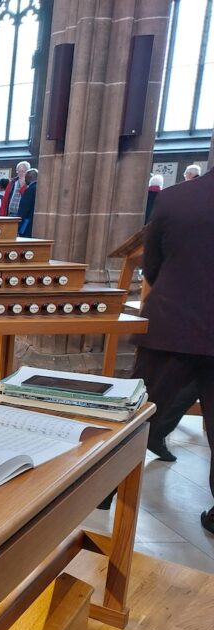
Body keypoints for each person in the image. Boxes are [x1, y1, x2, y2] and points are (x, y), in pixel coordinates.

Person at [129, 167, 214, 535]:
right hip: (181, 327)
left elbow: (152, 266)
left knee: (133, 414)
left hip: (173, 325)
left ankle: (100, 491)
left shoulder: (176, 198)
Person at [16, 168, 38, 236]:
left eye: (25, 177)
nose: (25, 180)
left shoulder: (30, 189)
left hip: (27, 223)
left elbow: (24, 209)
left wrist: (18, 224)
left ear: (29, 177)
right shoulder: (39, 187)